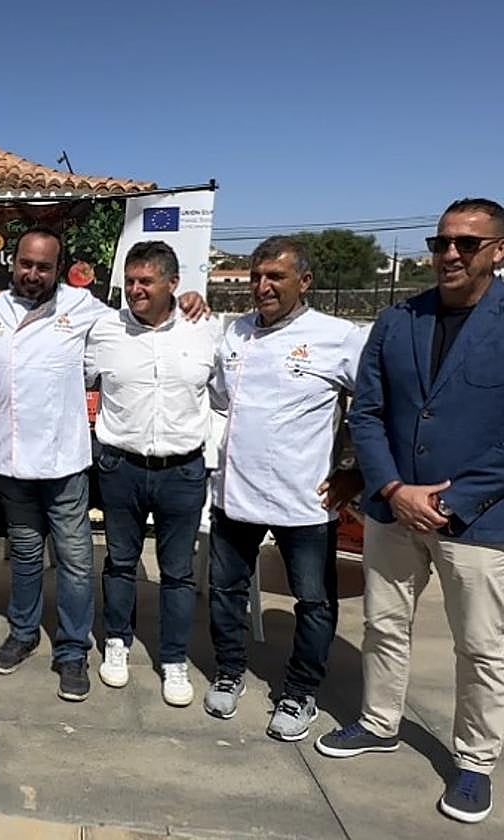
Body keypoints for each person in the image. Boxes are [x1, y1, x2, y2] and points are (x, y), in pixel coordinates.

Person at [316, 198, 504, 825]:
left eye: (467, 244)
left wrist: (450, 500)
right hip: (394, 507)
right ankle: (377, 722)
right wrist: (394, 488)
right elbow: (367, 411)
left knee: (479, 646)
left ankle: (475, 762)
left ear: (498, 251)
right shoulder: (398, 320)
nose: (450, 253)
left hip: (478, 519)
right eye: (441, 241)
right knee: (384, 625)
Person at [0, 227, 206, 702]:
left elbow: (144, 318)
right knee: (23, 554)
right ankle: (22, 633)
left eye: (43, 266)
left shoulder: (87, 311)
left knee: (77, 562)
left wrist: (187, 303)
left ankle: (73, 650)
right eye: (25, 264)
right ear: (12, 263)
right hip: (9, 458)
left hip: (64, 462)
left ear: (59, 268)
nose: (32, 274)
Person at [204, 235, 364, 741]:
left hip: (305, 500)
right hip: (236, 495)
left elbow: (375, 404)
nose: (263, 286)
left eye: (275, 276)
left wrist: (353, 470)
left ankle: (299, 692)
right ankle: (229, 671)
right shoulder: (234, 334)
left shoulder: (338, 336)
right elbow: (221, 398)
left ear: (305, 282)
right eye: (256, 276)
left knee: (313, 602)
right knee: (227, 591)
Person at [85, 241, 215, 707]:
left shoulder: (205, 330)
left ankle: (174, 658)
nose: (135, 290)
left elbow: (221, 395)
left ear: (173, 284)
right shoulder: (104, 331)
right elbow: (79, 378)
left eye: (146, 281)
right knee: (120, 561)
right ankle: (117, 641)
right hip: (121, 467)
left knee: (178, 572)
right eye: (131, 281)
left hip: (182, 470)